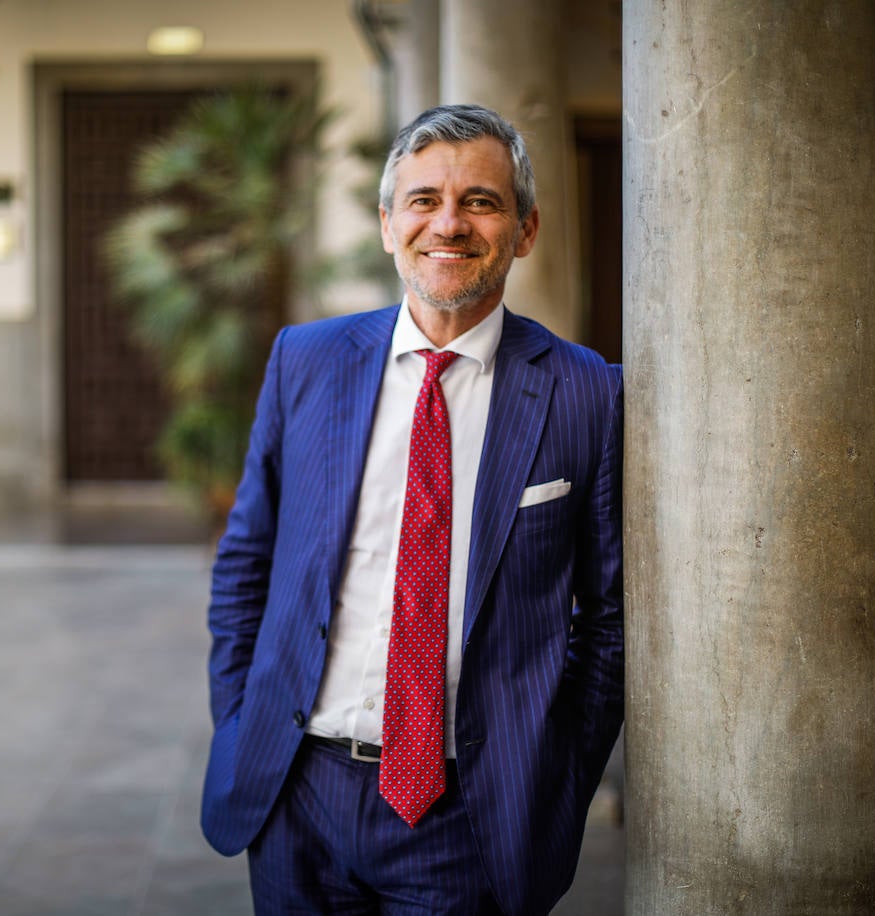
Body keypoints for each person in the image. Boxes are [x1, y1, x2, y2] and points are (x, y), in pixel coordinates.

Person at [200, 104, 623, 916]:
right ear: (389, 224)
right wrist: (242, 724)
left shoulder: (586, 393)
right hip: (298, 796)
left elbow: (608, 621)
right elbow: (247, 562)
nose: (450, 224)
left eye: (482, 202)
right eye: (424, 200)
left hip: (469, 817)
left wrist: (557, 781)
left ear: (525, 230)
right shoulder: (307, 360)